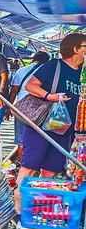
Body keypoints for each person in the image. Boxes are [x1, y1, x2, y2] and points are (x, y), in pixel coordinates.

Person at [14, 33, 86, 214]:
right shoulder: (55, 65)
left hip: (65, 130)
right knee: (29, 167)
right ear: (76, 49)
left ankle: (37, 209)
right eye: (85, 46)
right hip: (42, 126)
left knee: (50, 171)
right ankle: (19, 210)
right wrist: (50, 97)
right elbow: (31, 85)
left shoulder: (82, 74)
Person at [8, 51, 51, 160]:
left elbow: (14, 91)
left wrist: (9, 107)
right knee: (40, 138)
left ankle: (23, 164)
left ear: (33, 59)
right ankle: (36, 165)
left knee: (21, 140)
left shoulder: (21, 71)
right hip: (41, 108)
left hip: (21, 108)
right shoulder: (47, 71)